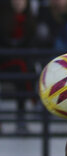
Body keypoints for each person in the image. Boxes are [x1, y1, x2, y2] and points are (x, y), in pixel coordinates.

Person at [0, 0, 37, 134]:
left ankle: (22, 117)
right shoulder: (3, 18)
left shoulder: (31, 20)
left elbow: (32, 42)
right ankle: (34, 100)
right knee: (23, 70)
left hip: (22, 61)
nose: (18, 3)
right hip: (4, 61)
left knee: (24, 70)